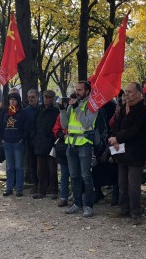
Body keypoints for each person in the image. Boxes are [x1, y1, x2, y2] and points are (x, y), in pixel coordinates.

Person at [108, 82, 146, 225]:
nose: (127, 94)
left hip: (136, 153)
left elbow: (135, 131)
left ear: (139, 93)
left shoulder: (143, 111)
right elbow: (116, 126)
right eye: (126, 91)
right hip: (122, 152)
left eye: (131, 92)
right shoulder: (124, 109)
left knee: (133, 185)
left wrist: (118, 138)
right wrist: (114, 138)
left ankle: (136, 213)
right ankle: (124, 208)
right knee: (122, 183)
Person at [60, 80, 98, 218]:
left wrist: (76, 108)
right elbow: (64, 124)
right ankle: (77, 203)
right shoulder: (73, 104)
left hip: (84, 144)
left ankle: (88, 206)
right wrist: (62, 110)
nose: (77, 92)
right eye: (76, 89)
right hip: (71, 143)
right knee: (74, 176)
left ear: (87, 91)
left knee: (86, 176)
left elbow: (87, 124)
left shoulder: (91, 105)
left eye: (80, 90)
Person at [0, 92, 29, 197]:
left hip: (18, 143)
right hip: (7, 142)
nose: (12, 101)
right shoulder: (5, 112)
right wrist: (2, 139)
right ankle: (9, 188)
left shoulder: (22, 113)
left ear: (18, 101)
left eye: (14, 100)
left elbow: (26, 128)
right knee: (9, 167)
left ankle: (19, 188)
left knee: (19, 166)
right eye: (10, 99)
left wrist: (22, 139)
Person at [31, 90, 60, 199]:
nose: (46, 99)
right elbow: (33, 125)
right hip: (39, 143)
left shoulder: (56, 111)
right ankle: (41, 190)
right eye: (45, 97)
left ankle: (54, 191)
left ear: (53, 98)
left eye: (49, 97)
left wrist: (53, 140)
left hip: (51, 144)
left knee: (52, 169)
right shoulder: (39, 110)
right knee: (40, 170)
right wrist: (34, 138)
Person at [54, 94, 74, 207]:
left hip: (75, 145)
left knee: (75, 174)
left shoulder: (77, 111)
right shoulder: (60, 114)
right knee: (64, 174)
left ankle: (75, 196)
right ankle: (64, 196)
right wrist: (62, 136)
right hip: (63, 146)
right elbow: (56, 129)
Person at [23, 89, 40, 192]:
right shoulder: (25, 111)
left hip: (41, 140)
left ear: (37, 98)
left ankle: (45, 184)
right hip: (30, 141)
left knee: (42, 164)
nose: (30, 99)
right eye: (29, 97)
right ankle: (36, 184)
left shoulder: (41, 109)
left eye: (33, 97)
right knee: (32, 163)